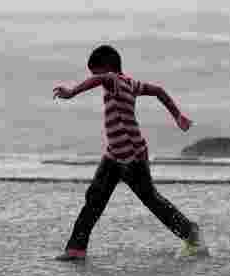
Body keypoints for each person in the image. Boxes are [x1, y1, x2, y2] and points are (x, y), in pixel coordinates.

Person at [52, 45, 207, 260]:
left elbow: (100, 79)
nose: (95, 78)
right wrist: (177, 116)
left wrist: (72, 92)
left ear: (107, 68)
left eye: (95, 72)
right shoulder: (131, 83)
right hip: (114, 154)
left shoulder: (113, 80)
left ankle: (190, 233)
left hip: (131, 156)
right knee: (95, 197)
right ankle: (76, 249)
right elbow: (159, 92)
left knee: (151, 199)